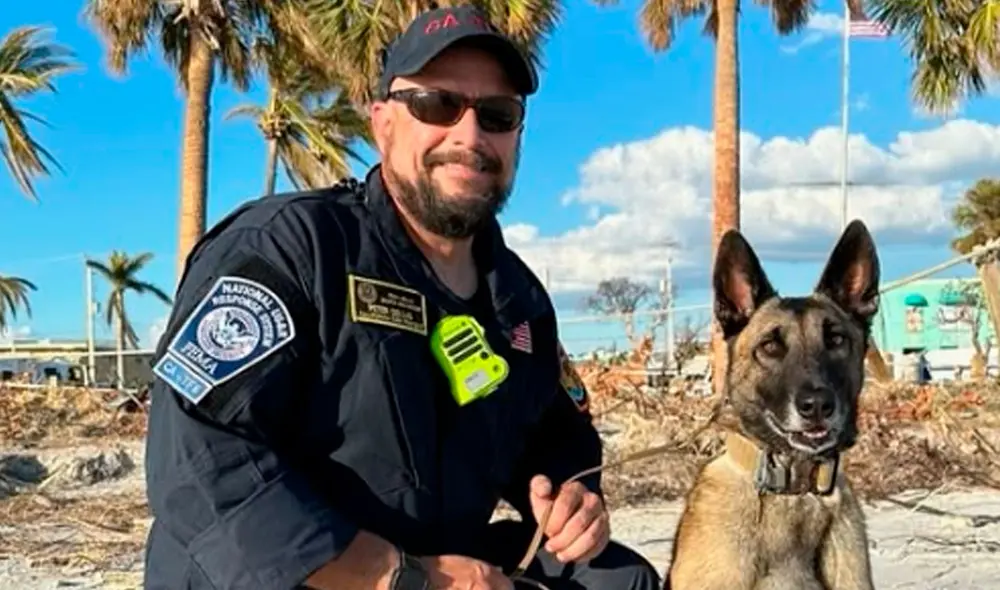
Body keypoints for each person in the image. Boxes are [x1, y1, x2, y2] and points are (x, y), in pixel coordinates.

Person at [143, 5, 661, 589]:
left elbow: (558, 433)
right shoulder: (291, 250)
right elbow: (198, 462)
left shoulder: (518, 299)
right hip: (299, 573)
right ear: (383, 123)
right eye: (437, 105)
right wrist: (402, 577)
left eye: (496, 115)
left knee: (620, 580)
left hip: (445, 561)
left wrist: (571, 496)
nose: (469, 136)